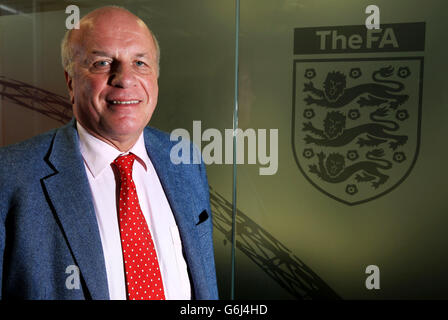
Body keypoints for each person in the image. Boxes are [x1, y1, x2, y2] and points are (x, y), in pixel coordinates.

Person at [0, 6, 218, 300]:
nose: (125, 78)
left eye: (140, 63)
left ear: (155, 77)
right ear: (70, 83)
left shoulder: (185, 160)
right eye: (102, 63)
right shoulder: (10, 177)